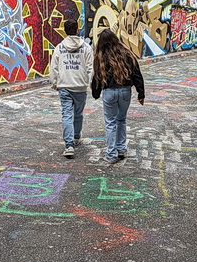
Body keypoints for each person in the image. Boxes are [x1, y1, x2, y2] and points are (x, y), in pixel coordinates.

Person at [91, 29, 145, 164]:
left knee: (110, 123)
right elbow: (136, 74)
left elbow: (96, 77)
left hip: (109, 92)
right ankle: (121, 149)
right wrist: (141, 93)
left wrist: (95, 93)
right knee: (121, 120)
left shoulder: (100, 56)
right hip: (125, 91)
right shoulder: (127, 53)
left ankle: (111, 154)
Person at [50, 19, 93, 158]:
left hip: (64, 86)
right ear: (77, 30)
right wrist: (90, 82)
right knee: (78, 114)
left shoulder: (59, 48)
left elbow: (54, 67)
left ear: (65, 31)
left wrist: (55, 83)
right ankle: (76, 137)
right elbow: (90, 68)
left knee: (67, 115)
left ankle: (69, 146)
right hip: (80, 86)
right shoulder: (86, 47)